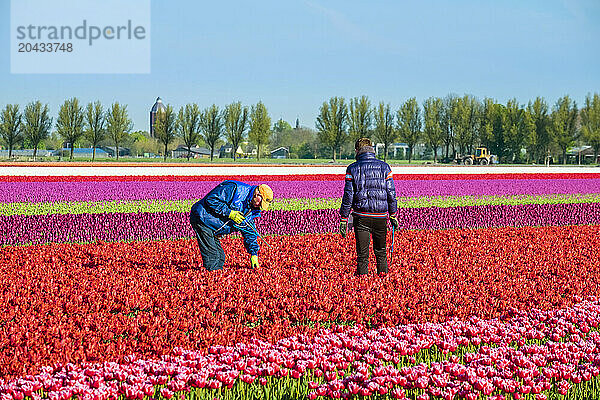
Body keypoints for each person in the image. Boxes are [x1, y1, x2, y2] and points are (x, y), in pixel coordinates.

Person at [339, 138, 399, 275]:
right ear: (371, 149)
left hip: (361, 217)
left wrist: (344, 218)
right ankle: (384, 285)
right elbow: (391, 193)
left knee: (362, 255)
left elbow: (348, 195)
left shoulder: (352, 168)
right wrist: (393, 215)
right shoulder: (385, 167)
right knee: (381, 252)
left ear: (357, 151)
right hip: (381, 216)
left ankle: (363, 287)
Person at [189, 180, 273, 271]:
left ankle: (215, 276)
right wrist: (230, 213)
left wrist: (254, 254)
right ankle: (211, 278)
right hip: (202, 218)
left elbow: (249, 230)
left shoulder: (251, 209)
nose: (259, 206)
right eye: (260, 203)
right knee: (213, 257)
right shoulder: (235, 189)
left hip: (214, 226)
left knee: (220, 258)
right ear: (257, 194)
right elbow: (211, 199)